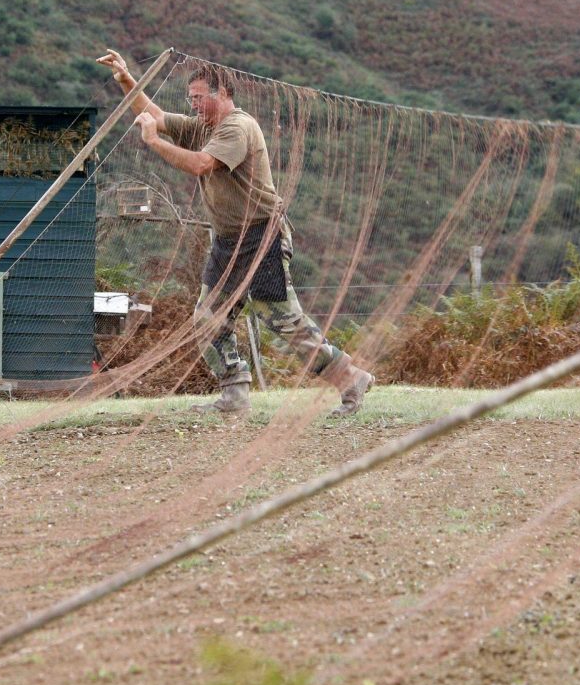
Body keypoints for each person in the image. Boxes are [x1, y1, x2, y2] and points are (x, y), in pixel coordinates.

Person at [96, 49, 374, 416]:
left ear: (222, 93)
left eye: (199, 97)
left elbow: (200, 164)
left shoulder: (237, 128)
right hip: (227, 242)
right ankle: (234, 395)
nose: (193, 105)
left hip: (260, 240)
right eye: (190, 98)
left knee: (285, 323)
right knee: (208, 319)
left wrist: (152, 142)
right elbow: (158, 116)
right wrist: (127, 80)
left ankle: (350, 377)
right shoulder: (206, 126)